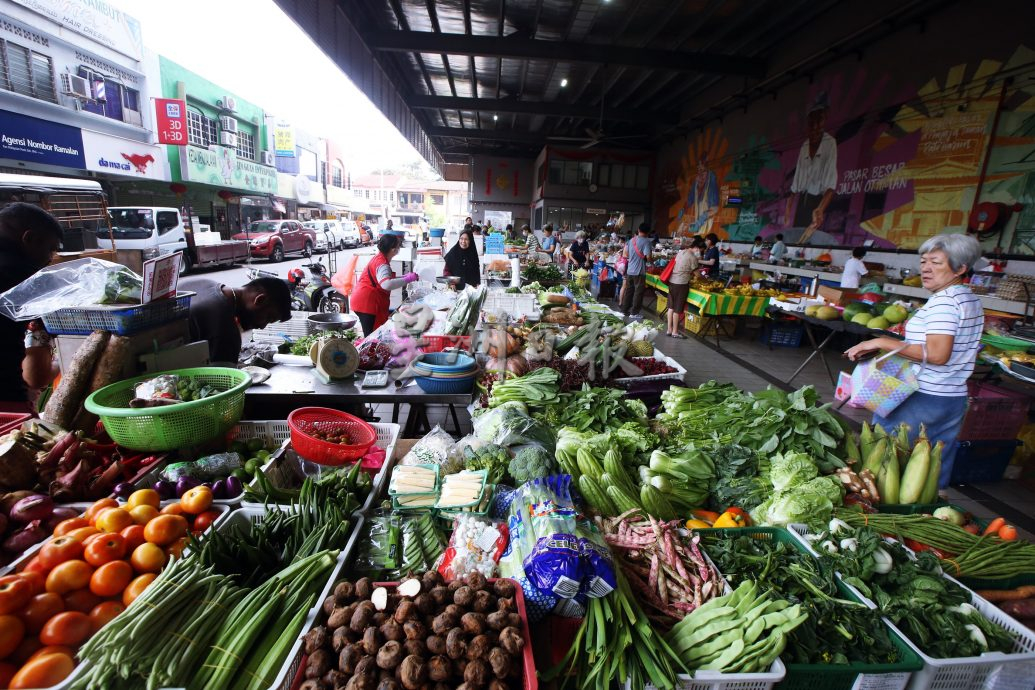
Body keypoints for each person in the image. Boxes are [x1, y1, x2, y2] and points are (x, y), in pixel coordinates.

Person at [845, 233, 984, 489]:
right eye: (923, 262)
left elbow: (938, 354)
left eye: (936, 262)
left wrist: (881, 342)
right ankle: (928, 510)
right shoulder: (968, 298)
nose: (926, 269)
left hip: (921, 395)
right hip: (950, 396)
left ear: (960, 269)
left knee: (887, 469)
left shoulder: (945, 302)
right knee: (929, 472)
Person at [0, 203, 63, 409]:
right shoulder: (22, 274)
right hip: (6, 395)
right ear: (29, 238)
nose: (51, 258)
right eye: (50, 249)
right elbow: (36, 376)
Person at [182, 276, 292, 364]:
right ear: (259, 300)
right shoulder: (225, 328)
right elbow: (225, 380)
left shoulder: (203, 283)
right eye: (268, 318)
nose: (262, 326)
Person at [785, 92, 838, 244]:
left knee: (813, 240)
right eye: (811, 122)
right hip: (803, 201)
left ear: (825, 119)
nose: (815, 127)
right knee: (797, 239)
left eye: (819, 120)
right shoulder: (805, 146)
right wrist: (788, 213)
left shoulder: (830, 143)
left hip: (819, 201)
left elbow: (830, 186)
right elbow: (795, 184)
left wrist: (820, 209)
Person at [351, 234, 418, 336]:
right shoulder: (382, 263)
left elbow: (384, 279)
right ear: (393, 249)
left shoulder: (379, 258)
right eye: (398, 246)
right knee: (371, 337)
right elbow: (386, 284)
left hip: (363, 298)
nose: (399, 248)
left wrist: (403, 277)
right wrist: (407, 279)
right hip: (367, 302)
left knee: (373, 335)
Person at [666, 239, 698, 339]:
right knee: (677, 308)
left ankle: (669, 329)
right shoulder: (692, 256)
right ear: (696, 247)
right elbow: (697, 274)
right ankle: (675, 332)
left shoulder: (681, 252)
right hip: (681, 284)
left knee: (671, 307)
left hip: (672, 281)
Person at [620, 222, 653, 319]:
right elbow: (648, 257)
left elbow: (625, 254)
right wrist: (651, 261)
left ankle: (624, 310)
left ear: (638, 230)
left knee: (629, 291)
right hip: (639, 272)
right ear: (648, 232)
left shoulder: (631, 240)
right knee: (638, 292)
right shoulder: (647, 242)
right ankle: (634, 313)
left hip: (630, 270)